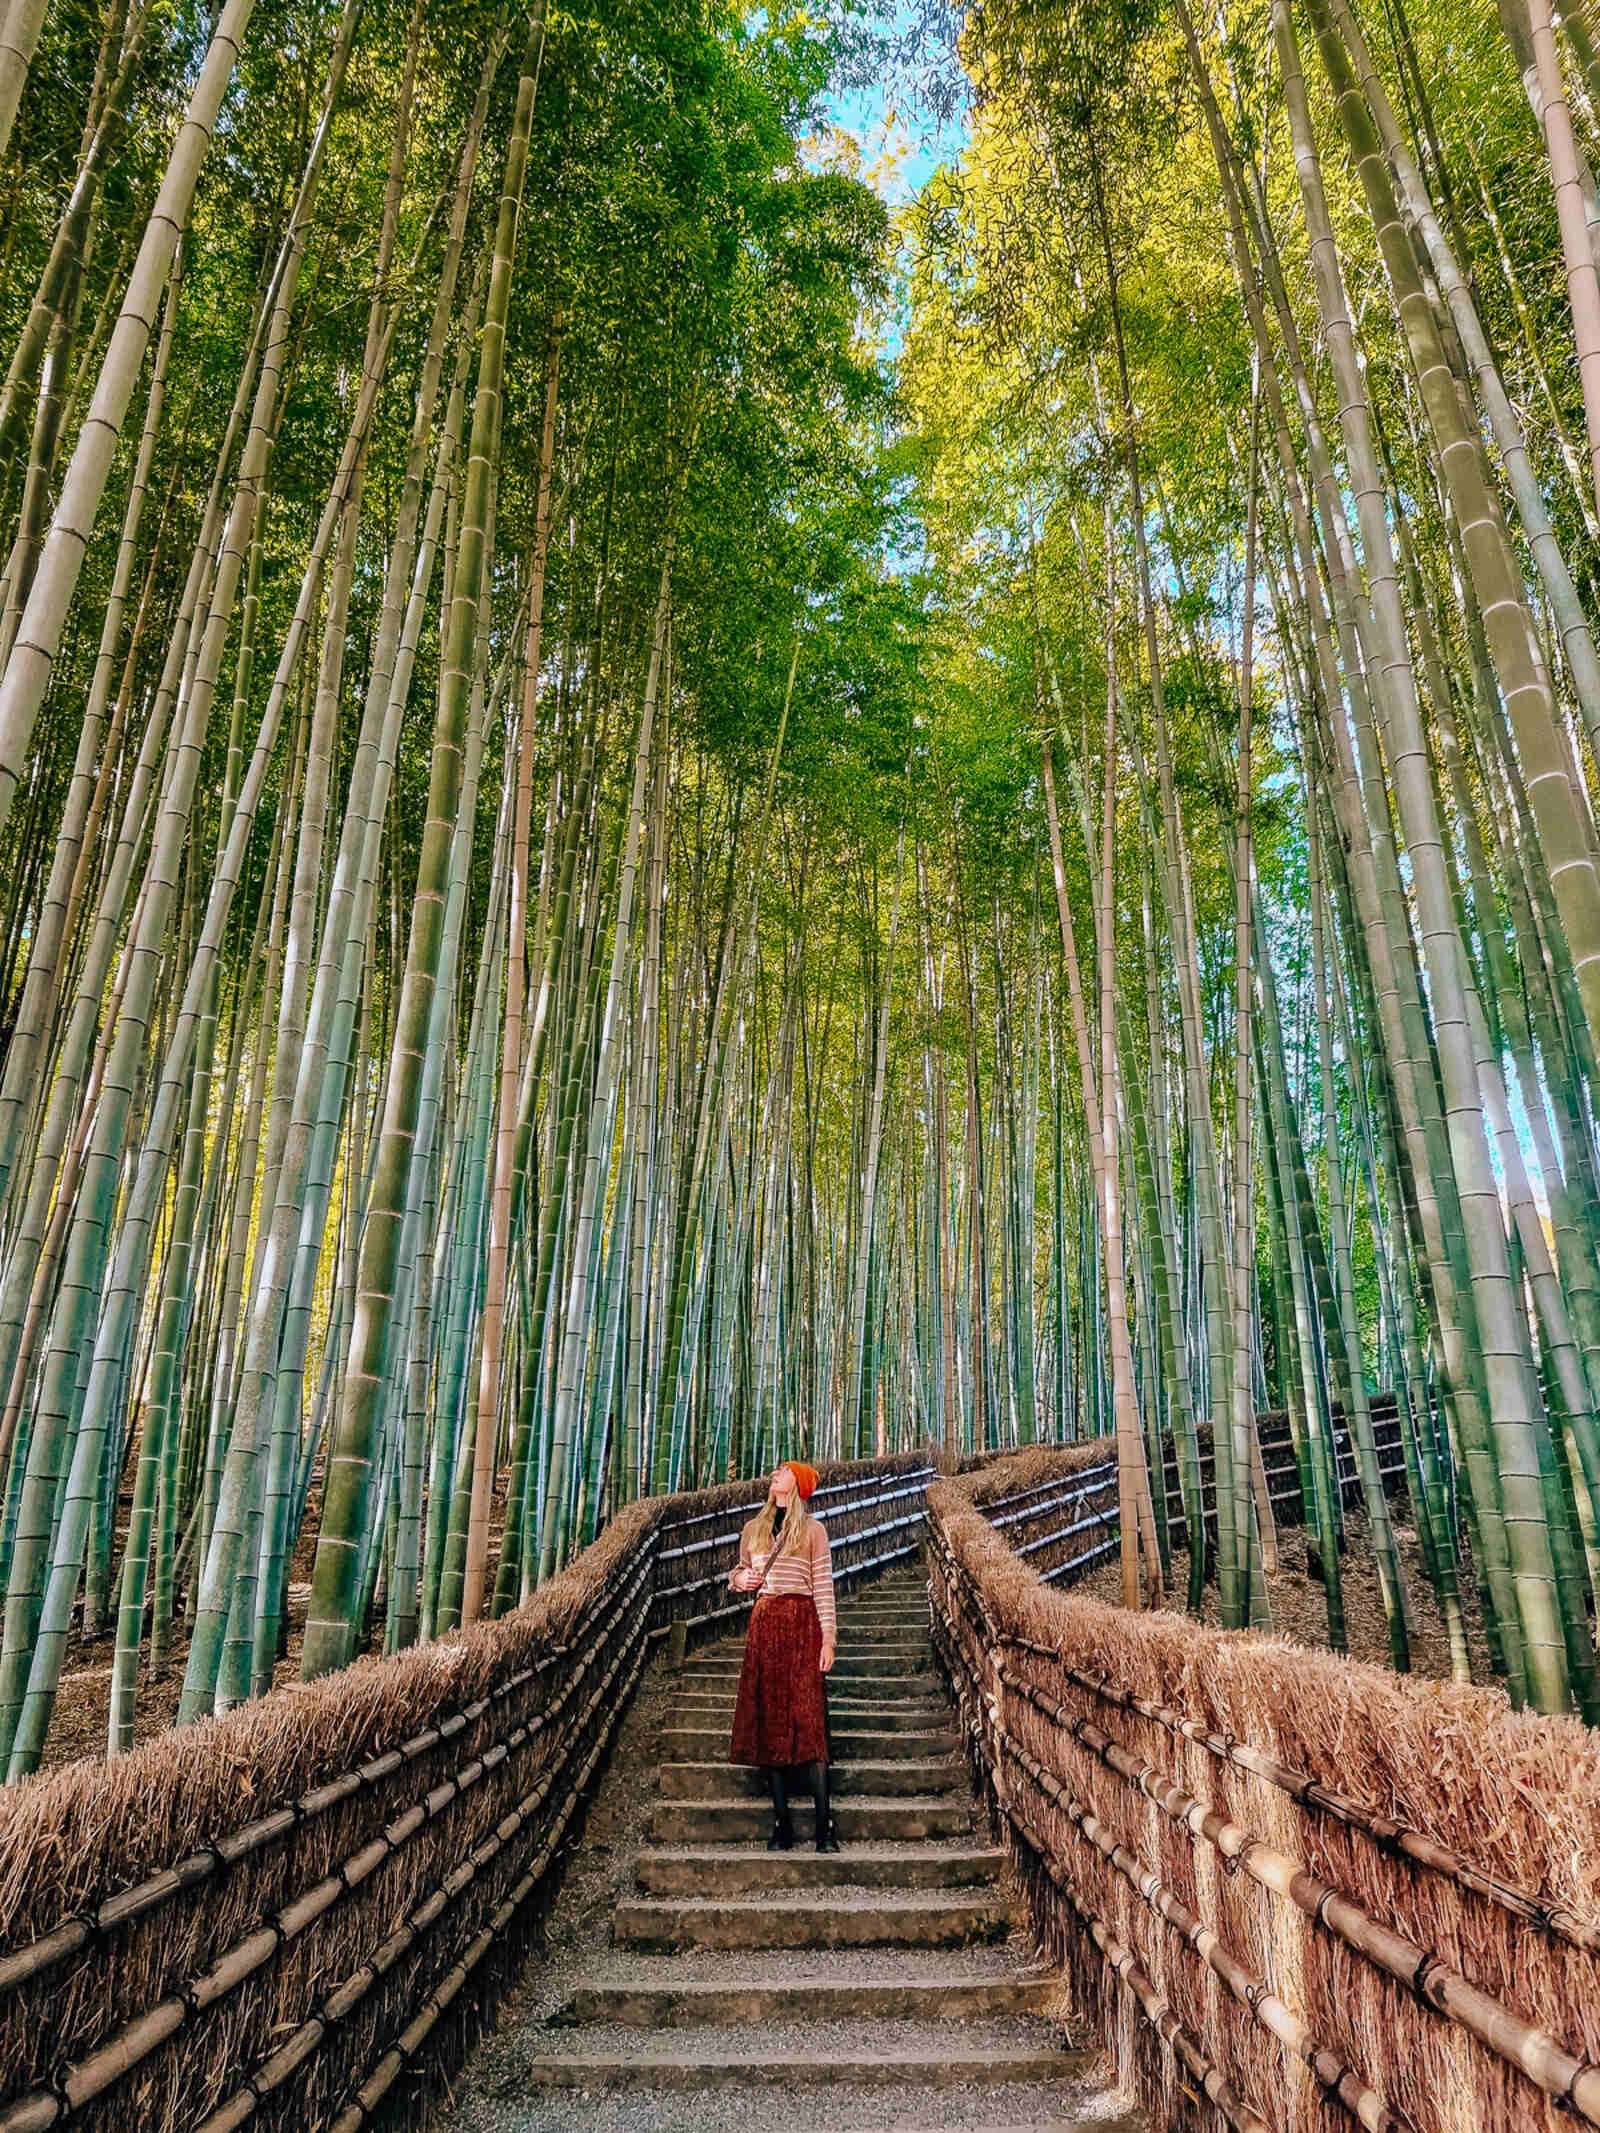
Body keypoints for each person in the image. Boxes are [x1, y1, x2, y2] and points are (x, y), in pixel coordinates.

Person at [727, 1459, 839, 1851]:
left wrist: (828, 1639)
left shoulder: (813, 1531)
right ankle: (781, 1824)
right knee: (771, 1718)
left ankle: (825, 1827)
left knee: (809, 1720)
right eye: (774, 1470)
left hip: (802, 1622)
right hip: (765, 1624)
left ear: (799, 1484)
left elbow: (823, 1586)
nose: (775, 1473)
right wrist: (744, 1580)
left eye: (784, 1471)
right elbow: (737, 1574)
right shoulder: (753, 1529)